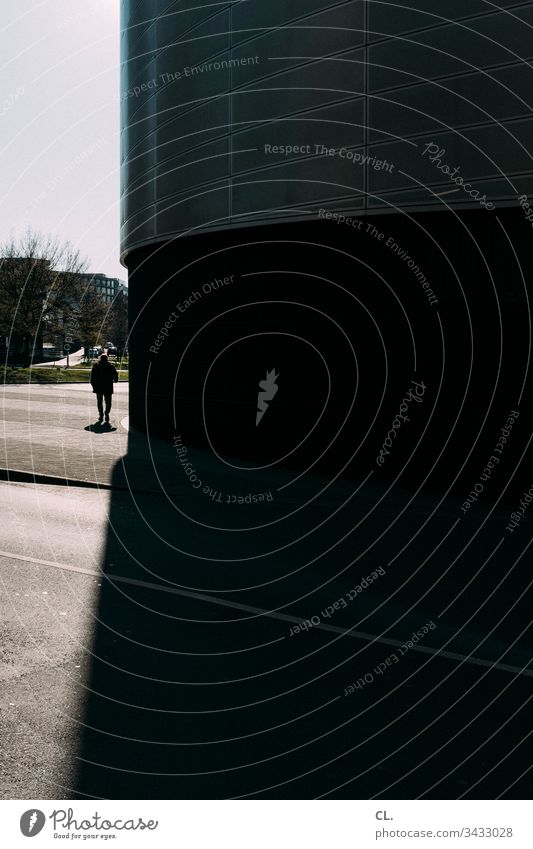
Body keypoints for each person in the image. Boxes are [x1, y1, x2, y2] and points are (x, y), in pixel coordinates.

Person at [90, 353, 119, 423]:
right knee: (108, 402)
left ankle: (101, 415)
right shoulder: (110, 366)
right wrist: (115, 380)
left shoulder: (96, 366)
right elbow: (115, 376)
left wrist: (94, 386)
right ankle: (107, 413)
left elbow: (92, 378)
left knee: (99, 402)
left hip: (98, 387)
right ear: (107, 359)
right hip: (108, 387)